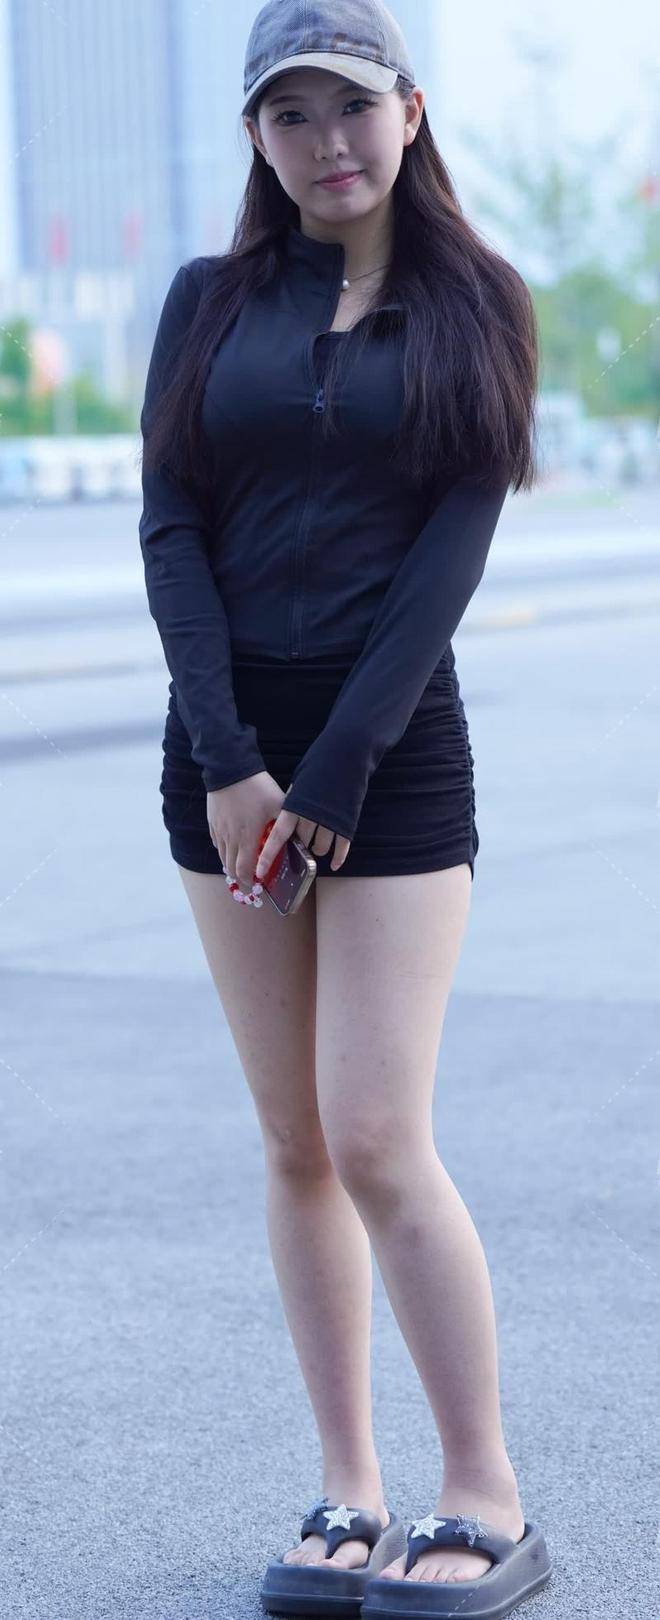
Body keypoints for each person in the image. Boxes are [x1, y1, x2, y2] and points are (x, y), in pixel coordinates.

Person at [138, 2, 552, 1614]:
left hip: (387, 758)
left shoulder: (477, 305)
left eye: (353, 108)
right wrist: (229, 757)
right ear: (257, 136)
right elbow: (173, 527)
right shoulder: (207, 302)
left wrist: (328, 775)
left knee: (377, 1132)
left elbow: (449, 561)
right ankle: (349, 1489)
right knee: (296, 1140)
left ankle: (483, 1491)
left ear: (411, 113)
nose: (329, 142)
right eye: (292, 115)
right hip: (227, 758)